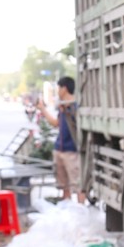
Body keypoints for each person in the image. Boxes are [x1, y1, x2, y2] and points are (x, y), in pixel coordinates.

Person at [53, 75, 84, 204]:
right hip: (60, 149)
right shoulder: (62, 106)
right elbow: (57, 124)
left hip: (72, 150)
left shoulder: (76, 106)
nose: (57, 91)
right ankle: (67, 212)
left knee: (77, 185)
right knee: (64, 185)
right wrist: (43, 110)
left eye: (58, 88)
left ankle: (81, 212)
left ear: (64, 88)